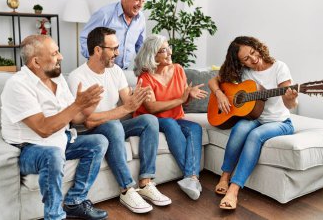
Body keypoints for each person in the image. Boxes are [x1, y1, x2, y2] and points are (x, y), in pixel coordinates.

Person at [1, 35, 109, 220]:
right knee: (53, 154)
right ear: (36, 61)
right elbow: (43, 129)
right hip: (30, 149)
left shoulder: (57, 79)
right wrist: (77, 104)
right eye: (55, 53)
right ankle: (54, 216)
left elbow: (74, 118)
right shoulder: (17, 85)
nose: (61, 57)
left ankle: (75, 201)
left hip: (61, 139)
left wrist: (87, 106)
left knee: (98, 142)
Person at [68, 27, 171, 214]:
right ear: (98, 50)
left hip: (112, 124)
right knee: (114, 126)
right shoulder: (78, 77)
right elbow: (87, 122)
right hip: (91, 131)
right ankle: (126, 189)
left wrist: (139, 96)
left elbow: (128, 102)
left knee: (149, 120)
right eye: (113, 48)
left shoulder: (115, 71)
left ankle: (146, 182)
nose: (118, 52)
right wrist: (125, 108)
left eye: (118, 47)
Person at [208, 36, 298, 210]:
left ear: (257, 47)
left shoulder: (279, 67)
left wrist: (290, 99)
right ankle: (224, 177)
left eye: (253, 52)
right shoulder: (244, 72)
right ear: (240, 63)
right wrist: (219, 94)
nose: (253, 59)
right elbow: (213, 81)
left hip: (280, 122)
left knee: (255, 135)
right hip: (256, 118)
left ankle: (233, 190)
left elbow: (291, 105)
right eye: (246, 59)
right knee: (241, 127)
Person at [133, 34, 208, 200]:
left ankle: (191, 178)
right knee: (169, 123)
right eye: (163, 50)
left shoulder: (178, 69)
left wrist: (189, 95)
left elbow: (182, 99)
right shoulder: (145, 78)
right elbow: (151, 107)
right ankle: (191, 176)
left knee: (195, 127)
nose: (169, 53)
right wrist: (181, 99)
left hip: (176, 117)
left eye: (169, 48)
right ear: (152, 55)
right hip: (152, 120)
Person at [80, 0, 146, 69]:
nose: (140, 5)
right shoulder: (104, 14)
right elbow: (85, 38)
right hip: (101, 69)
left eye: (143, 1)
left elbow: (141, 47)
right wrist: (97, 59)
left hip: (123, 71)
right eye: (137, 0)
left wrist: (146, 65)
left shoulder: (141, 18)